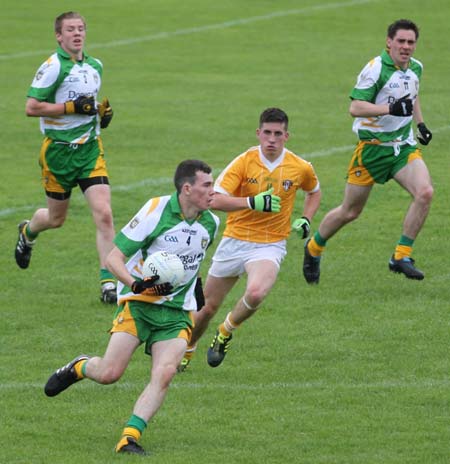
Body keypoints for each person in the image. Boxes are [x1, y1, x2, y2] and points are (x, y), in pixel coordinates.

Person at [44, 159, 219, 455]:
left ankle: (129, 437)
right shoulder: (156, 211)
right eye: (207, 185)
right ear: (187, 189)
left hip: (177, 313)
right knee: (109, 374)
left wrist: (195, 288)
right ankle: (81, 366)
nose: (213, 191)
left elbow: (190, 261)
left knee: (165, 373)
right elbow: (114, 258)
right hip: (138, 305)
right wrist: (136, 284)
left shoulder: (210, 223)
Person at [178, 108, 321, 371]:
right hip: (235, 240)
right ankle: (188, 348)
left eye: (278, 134)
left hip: (270, 244)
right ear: (258, 133)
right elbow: (214, 200)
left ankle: (226, 330)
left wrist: (306, 218)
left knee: (255, 293)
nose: (271, 139)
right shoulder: (244, 162)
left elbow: (314, 191)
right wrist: (252, 202)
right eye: (267, 132)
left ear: (286, 136)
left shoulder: (300, 167)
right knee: (206, 308)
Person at [303, 19, 433, 284]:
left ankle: (401, 256)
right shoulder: (375, 70)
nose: (406, 47)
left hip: (402, 147)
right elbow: (356, 107)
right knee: (350, 212)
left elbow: (413, 95)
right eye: (401, 41)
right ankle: (314, 248)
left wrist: (420, 124)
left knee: (425, 192)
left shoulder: (416, 67)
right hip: (372, 150)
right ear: (389, 42)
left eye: (410, 42)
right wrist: (390, 109)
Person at [14, 11, 117, 303]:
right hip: (58, 153)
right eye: (70, 30)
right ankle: (28, 230)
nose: (77, 33)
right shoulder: (52, 67)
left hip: (89, 150)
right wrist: (70, 108)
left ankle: (108, 283)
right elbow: (32, 107)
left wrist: (102, 115)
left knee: (105, 214)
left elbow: (89, 106)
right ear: (59, 36)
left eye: (81, 29)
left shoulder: (95, 66)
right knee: (56, 219)